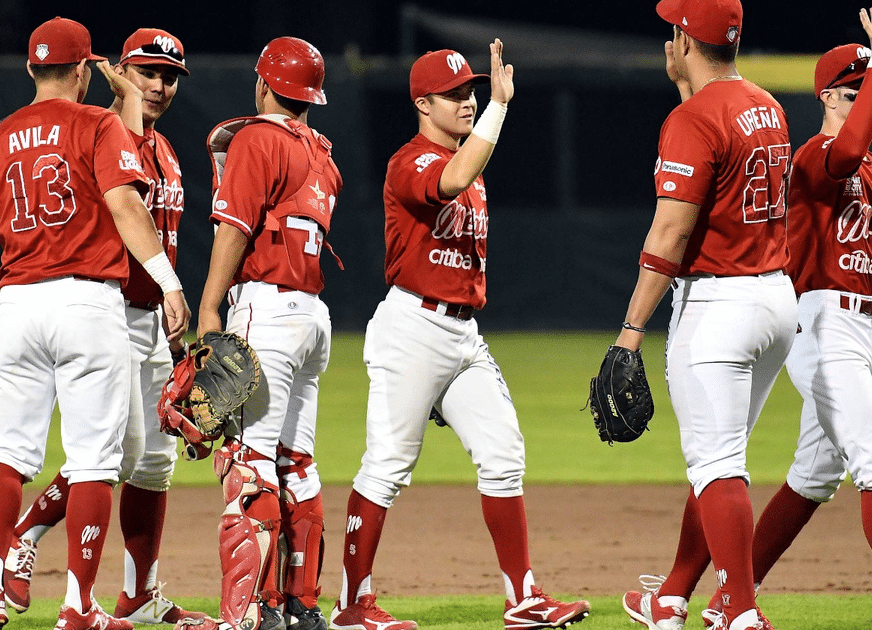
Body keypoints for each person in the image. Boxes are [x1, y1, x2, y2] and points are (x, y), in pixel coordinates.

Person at [700, 10, 872, 630]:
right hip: (821, 325)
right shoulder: (816, 158)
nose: (866, 104)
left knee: (815, 473)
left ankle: (728, 603)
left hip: (864, 326)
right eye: (855, 93)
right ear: (828, 96)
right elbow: (849, 145)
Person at [329, 41, 591, 630]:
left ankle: (522, 599)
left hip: (463, 334)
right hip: (413, 328)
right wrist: (500, 107)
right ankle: (351, 605)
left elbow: (469, 169)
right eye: (454, 94)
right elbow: (454, 175)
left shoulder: (472, 167)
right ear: (423, 104)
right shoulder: (411, 162)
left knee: (504, 454)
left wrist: (489, 113)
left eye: (470, 91)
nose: (467, 101)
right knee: (388, 466)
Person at [0, 16, 190, 630]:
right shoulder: (99, 122)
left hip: (19, 304)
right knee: (94, 461)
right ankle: (80, 606)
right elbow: (123, 204)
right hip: (90, 302)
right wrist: (168, 280)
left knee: (5, 452)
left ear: (31, 68)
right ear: (84, 71)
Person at [613, 1, 796, 629]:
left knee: (718, 465)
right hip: (776, 299)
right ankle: (670, 596)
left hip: (720, 303)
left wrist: (630, 331)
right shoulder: (768, 104)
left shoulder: (691, 118)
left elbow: (669, 231)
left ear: (685, 40)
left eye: (673, 30)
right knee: (718, 458)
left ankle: (742, 614)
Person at [196, 36, 341, 630]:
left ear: (263, 84)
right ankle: (300, 605)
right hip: (312, 317)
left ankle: (246, 615)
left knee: (249, 466)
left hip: (267, 311)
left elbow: (234, 230)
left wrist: (209, 310)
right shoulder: (322, 150)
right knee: (296, 462)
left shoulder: (256, 138)